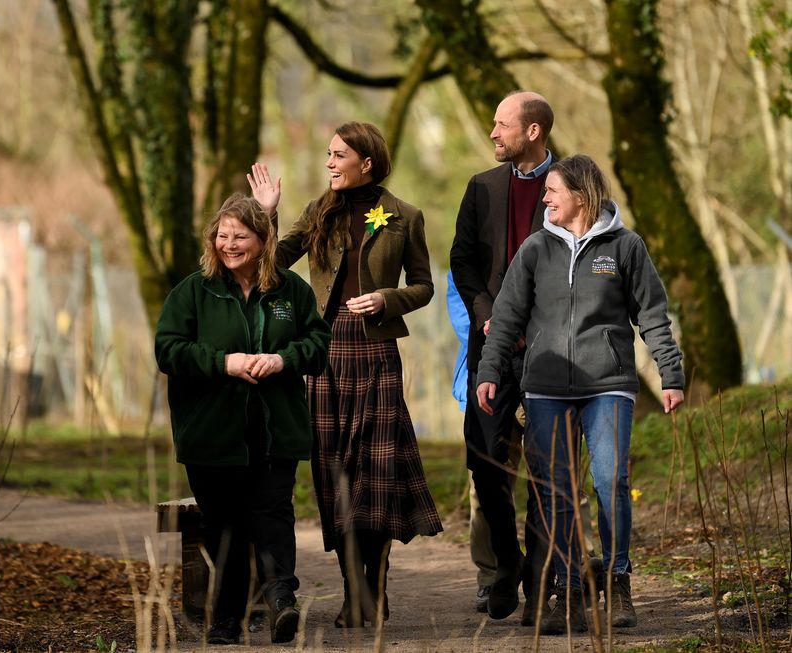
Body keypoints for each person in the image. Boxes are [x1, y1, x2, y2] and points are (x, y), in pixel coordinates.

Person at [476, 154, 685, 635]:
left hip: (608, 384)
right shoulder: (534, 249)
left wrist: (670, 374)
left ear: (580, 195)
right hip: (546, 388)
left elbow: (651, 314)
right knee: (556, 493)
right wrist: (489, 371)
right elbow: (506, 317)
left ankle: (617, 580)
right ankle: (569, 591)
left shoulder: (626, 247)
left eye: (552, 190)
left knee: (610, 482)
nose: (544, 198)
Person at [248, 121, 443, 628]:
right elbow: (271, 263)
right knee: (334, 475)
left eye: (339, 155)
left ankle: (373, 592)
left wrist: (386, 298)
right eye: (328, 154)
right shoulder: (318, 211)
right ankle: (351, 590)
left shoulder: (404, 217)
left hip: (376, 353)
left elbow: (423, 285)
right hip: (324, 353)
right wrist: (264, 214)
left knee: (374, 479)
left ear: (367, 162)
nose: (330, 163)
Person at [154, 193, 331, 645]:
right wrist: (223, 362)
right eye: (222, 235)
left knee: (273, 513)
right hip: (212, 434)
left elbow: (317, 344)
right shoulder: (194, 291)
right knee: (223, 525)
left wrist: (282, 360)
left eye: (241, 237)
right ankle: (226, 618)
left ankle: (280, 600)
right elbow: (168, 349)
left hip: (275, 430)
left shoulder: (290, 291)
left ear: (264, 239)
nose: (229, 244)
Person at [449, 90, 555, 623]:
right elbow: (462, 261)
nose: (492, 132)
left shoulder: (572, 187)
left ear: (532, 131)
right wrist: (490, 313)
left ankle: (540, 580)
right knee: (485, 461)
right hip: (490, 347)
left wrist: (526, 320)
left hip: (548, 351)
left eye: (501, 124)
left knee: (546, 468)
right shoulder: (481, 187)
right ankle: (508, 564)